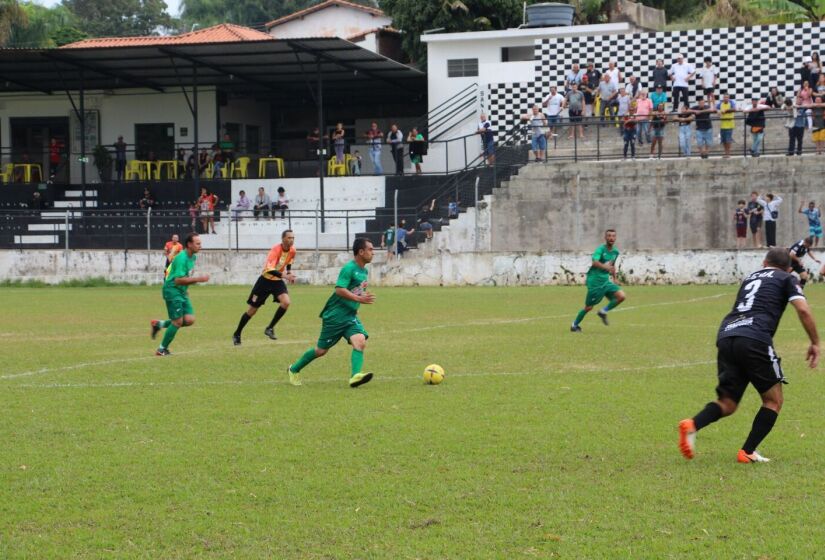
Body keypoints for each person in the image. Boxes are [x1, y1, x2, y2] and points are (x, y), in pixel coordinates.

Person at [678, 247, 819, 463]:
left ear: (764, 262)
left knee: (728, 402)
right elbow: (803, 310)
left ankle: (692, 425)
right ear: (788, 268)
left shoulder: (750, 277)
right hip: (755, 339)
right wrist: (815, 342)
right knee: (773, 401)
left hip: (727, 335)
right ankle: (747, 451)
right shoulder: (786, 278)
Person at [286, 238, 376, 388]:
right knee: (321, 350)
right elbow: (339, 289)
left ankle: (355, 377)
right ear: (361, 252)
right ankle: (293, 369)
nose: (373, 252)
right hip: (335, 316)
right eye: (370, 249)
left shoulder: (364, 270)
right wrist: (358, 299)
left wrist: (355, 306)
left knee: (360, 341)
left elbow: (356, 292)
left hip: (349, 316)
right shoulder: (349, 268)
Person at [233, 229, 297, 345]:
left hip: (277, 282)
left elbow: (289, 261)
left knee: (286, 302)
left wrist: (289, 272)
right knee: (252, 310)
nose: (291, 240)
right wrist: (285, 276)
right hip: (264, 281)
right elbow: (269, 269)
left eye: (293, 238)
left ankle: (270, 328)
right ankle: (237, 333)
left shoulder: (293, 250)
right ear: (283, 239)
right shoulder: (275, 250)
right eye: (289, 238)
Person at [150, 233, 210, 356]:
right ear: (189, 244)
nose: (200, 246)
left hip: (181, 291)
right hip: (172, 290)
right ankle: (161, 349)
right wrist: (199, 279)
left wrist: (186, 288)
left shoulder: (192, 257)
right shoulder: (181, 258)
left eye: (200, 243)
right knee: (177, 322)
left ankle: (158, 324)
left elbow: (184, 275)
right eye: (197, 243)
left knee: (189, 320)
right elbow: (177, 280)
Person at [570, 229, 626, 332]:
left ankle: (603, 312)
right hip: (595, 282)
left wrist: (614, 278)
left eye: (613, 236)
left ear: (615, 238)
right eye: (609, 236)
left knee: (621, 296)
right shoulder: (600, 250)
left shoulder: (615, 252)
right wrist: (606, 267)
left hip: (606, 281)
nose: (611, 238)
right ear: (605, 238)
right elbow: (594, 262)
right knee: (588, 307)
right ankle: (574, 325)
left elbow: (612, 266)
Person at [717, 93, 737, 158]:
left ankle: (728, 153)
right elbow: (716, 109)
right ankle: (726, 153)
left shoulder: (731, 103)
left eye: (727, 97)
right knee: (724, 140)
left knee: (728, 140)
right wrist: (718, 111)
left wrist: (725, 111)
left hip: (729, 124)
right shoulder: (720, 103)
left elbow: (734, 109)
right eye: (724, 97)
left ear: (729, 98)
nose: (725, 98)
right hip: (722, 125)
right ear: (723, 98)